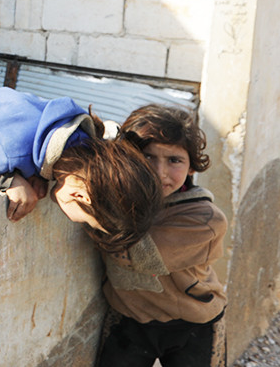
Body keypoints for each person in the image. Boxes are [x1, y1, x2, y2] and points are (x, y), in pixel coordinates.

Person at [0, 87, 161, 254]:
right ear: (82, 196)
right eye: (89, 221)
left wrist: (40, 173)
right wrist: (7, 181)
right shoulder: (11, 150)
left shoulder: (85, 142)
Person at [96, 104, 228, 367]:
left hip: (193, 323)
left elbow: (139, 256)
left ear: (192, 167)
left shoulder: (205, 219)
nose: (158, 172)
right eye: (146, 157)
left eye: (174, 160)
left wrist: (92, 209)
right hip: (129, 318)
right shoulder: (120, 196)